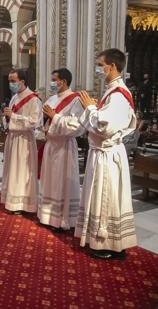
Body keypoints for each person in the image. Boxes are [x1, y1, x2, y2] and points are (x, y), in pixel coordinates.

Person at [75, 48, 137, 260]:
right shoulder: (111, 91)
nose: (98, 69)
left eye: (100, 64)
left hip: (108, 155)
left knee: (107, 197)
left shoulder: (119, 94)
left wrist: (90, 108)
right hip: (102, 153)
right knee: (104, 196)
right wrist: (91, 109)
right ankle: (105, 241)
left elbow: (105, 128)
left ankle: (107, 243)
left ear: (111, 66)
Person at [39, 68, 84, 231]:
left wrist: (54, 116)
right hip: (51, 145)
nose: (52, 83)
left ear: (63, 81)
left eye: (54, 79)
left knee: (60, 182)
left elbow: (76, 127)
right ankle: (47, 215)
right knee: (49, 180)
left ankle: (61, 220)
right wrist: (44, 123)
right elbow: (43, 120)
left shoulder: (75, 100)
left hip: (64, 147)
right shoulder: (51, 99)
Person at [0, 70, 42, 214]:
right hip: (13, 138)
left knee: (22, 171)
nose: (11, 84)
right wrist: (6, 118)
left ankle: (23, 204)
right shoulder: (14, 98)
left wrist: (14, 116)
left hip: (24, 141)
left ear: (22, 81)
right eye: (9, 81)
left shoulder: (34, 100)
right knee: (12, 170)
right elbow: (10, 116)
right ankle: (11, 200)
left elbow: (34, 122)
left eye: (13, 81)